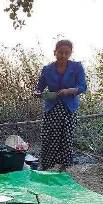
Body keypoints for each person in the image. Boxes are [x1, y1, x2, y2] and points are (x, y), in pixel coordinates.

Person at [35, 40, 87, 172]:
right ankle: (45, 164)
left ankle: (64, 166)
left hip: (69, 107)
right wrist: (38, 93)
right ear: (55, 52)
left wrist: (70, 91)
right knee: (48, 136)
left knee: (66, 136)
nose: (63, 55)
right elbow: (39, 87)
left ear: (70, 53)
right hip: (51, 107)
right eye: (60, 52)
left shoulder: (76, 67)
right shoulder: (47, 69)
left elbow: (83, 86)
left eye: (67, 53)